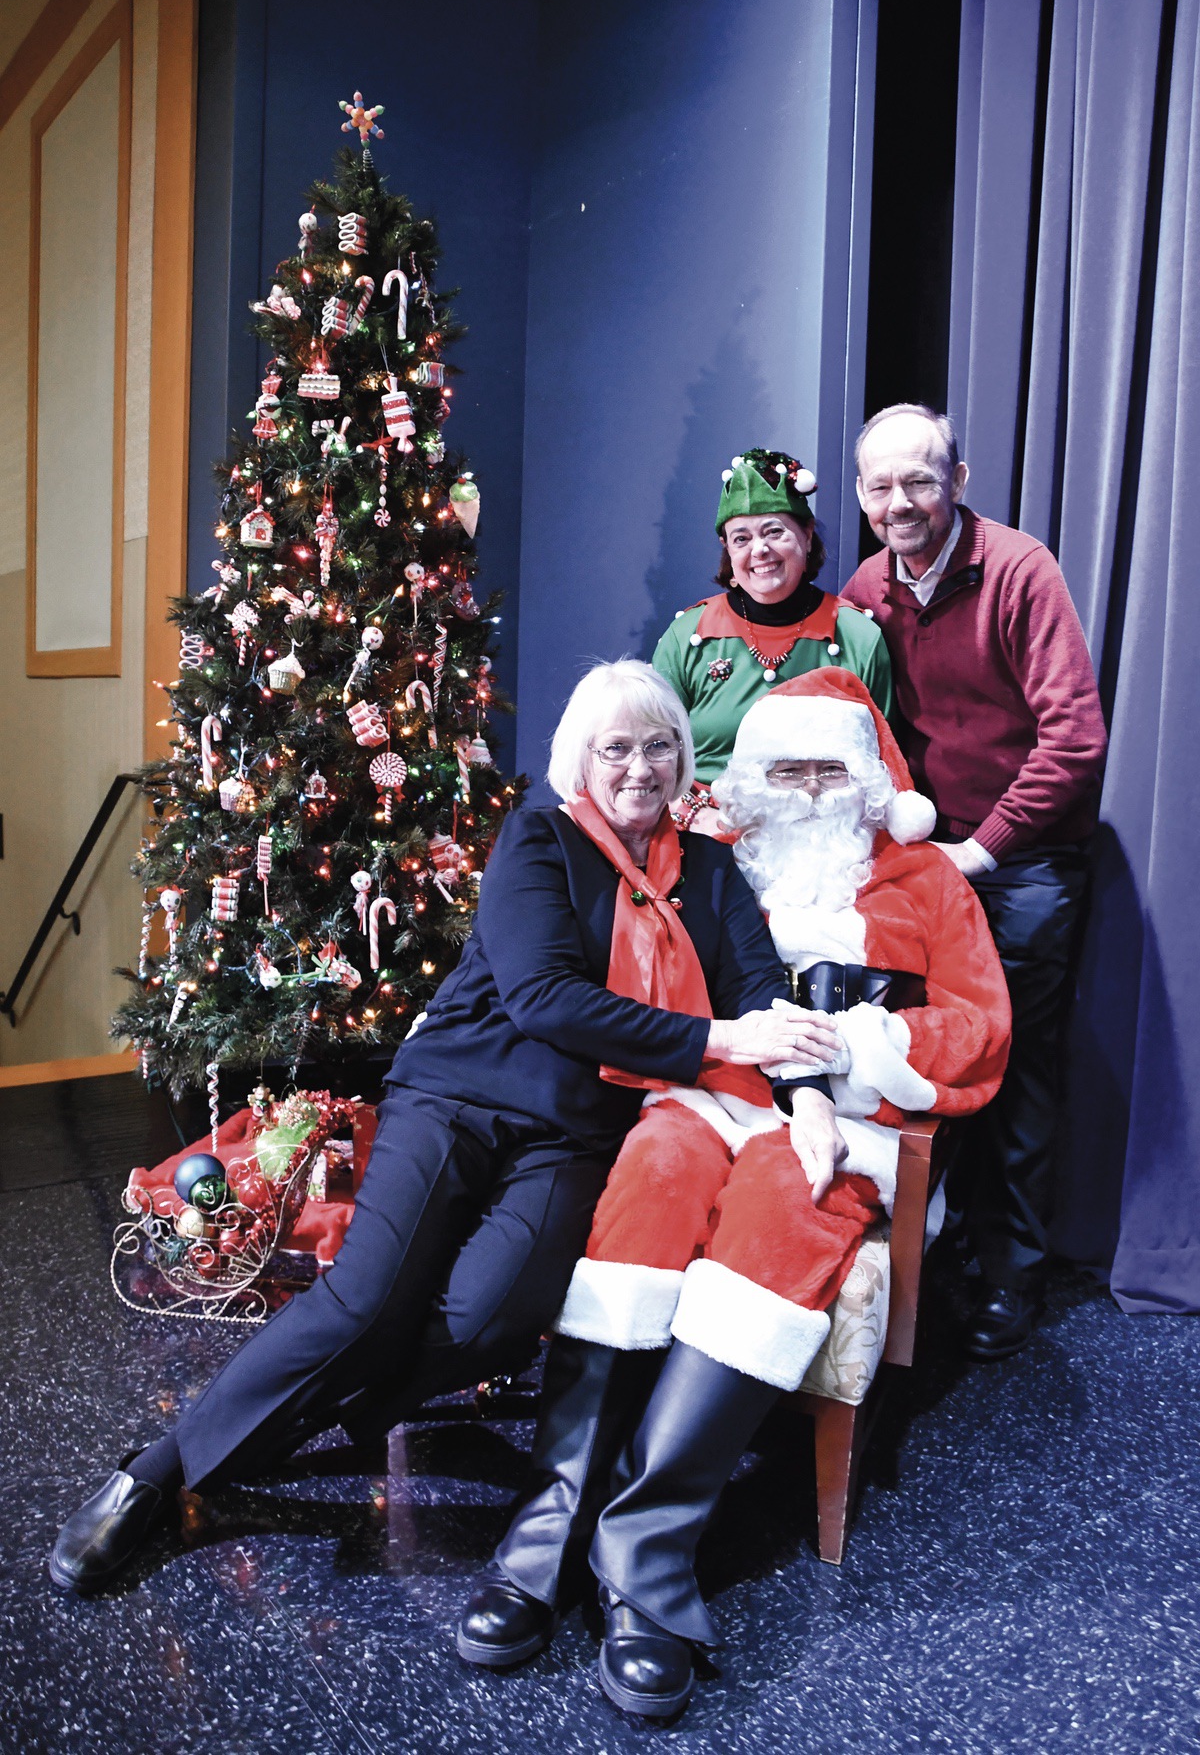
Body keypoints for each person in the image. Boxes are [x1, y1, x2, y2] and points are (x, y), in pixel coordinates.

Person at [50, 660, 838, 1596]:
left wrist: (814, 1095)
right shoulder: (540, 839)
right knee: (368, 1302)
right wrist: (717, 1039)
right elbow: (548, 999)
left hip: (577, 1130)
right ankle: (158, 1471)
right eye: (615, 747)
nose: (640, 766)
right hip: (460, 1094)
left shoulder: (707, 869)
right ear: (580, 760)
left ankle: (301, 1409)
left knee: (497, 1317)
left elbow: (763, 993)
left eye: (659, 744)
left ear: (682, 756)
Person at [457, 668, 1010, 1718]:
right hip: (714, 1089)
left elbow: (981, 1025)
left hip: (852, 1118)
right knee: (652, 1173)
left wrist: (859, 1047)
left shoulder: (929, 880)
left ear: (864, 779)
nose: (805, 789)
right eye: (783, 767)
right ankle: (548, 1529)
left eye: (827, 769)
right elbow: (709, 987)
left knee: (777, 1208)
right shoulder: (714, 860)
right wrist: (760, 1060)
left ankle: (648, 1552)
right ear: (749, 778)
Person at [842, 403, 1108, 1359]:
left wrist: (982, 848)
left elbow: (1074, 739)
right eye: (881, 486)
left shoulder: (1019, 570)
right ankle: (927, 1255)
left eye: (920, 480)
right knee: (908, 1053)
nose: (900, 502)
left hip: (1020, 860)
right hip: (924, 856)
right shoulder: (868, 586)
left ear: (957, 480)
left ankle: (1012, 1276)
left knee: (1011, 1061)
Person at [652, 448, 893, 833]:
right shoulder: (688, 636)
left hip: (826, 841)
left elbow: (883, 765)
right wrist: (696, 818)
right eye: (741, 538)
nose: (759, 550)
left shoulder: (858, 637)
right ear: (727, 551)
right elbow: (651, 757)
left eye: (774, 531)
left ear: (807, 535)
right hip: (704, 835)